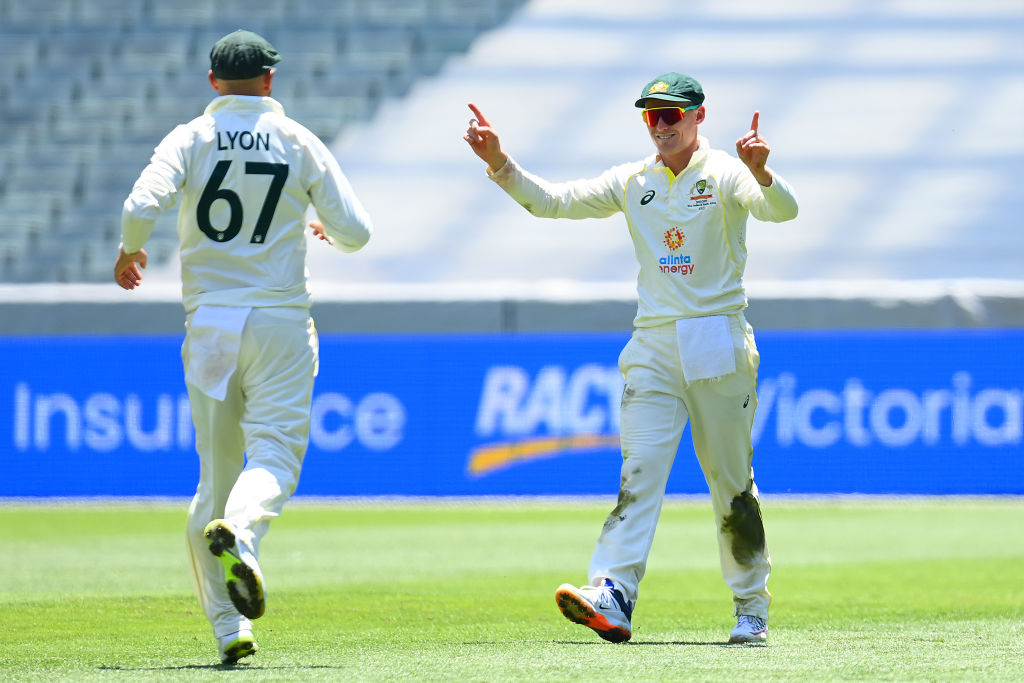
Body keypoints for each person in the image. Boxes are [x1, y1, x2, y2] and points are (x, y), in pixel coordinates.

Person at [464, 72, 798, 644]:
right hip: (653, 344)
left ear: (698, 115)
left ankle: (751, 606)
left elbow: (781, 211)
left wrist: (764, 171)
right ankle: (613, 593)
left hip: (717, 340)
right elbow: (552, 203)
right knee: (638, 474)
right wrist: (499, 163)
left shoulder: (725, 174)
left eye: (672, 114)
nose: (661, 125)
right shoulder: (633, 179)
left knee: (730, 482)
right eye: (651, 116)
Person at [114, 29, 372, 664]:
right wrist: (322, 228)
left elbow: (140, 201)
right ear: (269, 80)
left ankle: (230, 629)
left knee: (212, 483)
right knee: (276, 455)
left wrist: (130, 249)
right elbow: (358, 233)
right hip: (280, 321)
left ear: (212, 82)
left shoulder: (190, 137)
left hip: (211, 326)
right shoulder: (296, 138)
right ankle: (246, 536)